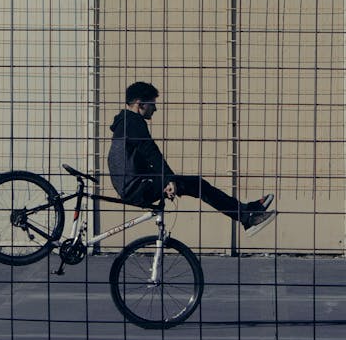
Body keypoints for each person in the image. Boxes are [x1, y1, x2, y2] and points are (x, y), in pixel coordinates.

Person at [107, 81, 274, 231]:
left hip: (136, 183)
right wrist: (168, 179)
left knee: (196, 184)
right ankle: (246, 216)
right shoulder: (133, 122)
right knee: (198, 184)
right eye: (152, 104)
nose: (155, 108)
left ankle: (246, 212)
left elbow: (139, 159)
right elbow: (151, 152)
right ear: (140, 103)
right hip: (137, 188)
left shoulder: (125, 122)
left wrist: (164, 179)